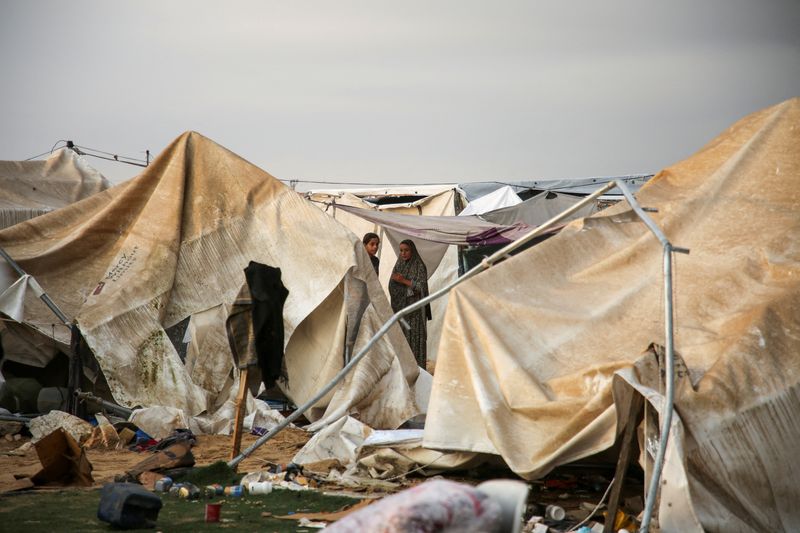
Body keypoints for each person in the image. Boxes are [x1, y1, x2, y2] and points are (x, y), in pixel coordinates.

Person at [389, 239, 431, 367]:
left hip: (415, 312)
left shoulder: (419, 266)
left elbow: (422, 287)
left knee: (415, 340)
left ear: (412, 250)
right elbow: (392, 285)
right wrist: (403, 287)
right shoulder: (399, 265)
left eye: (406, 250)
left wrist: (404, 281)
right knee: (403, 340)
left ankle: (418, 369)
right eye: (401, 250)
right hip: (402, 312)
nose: (403, 253)